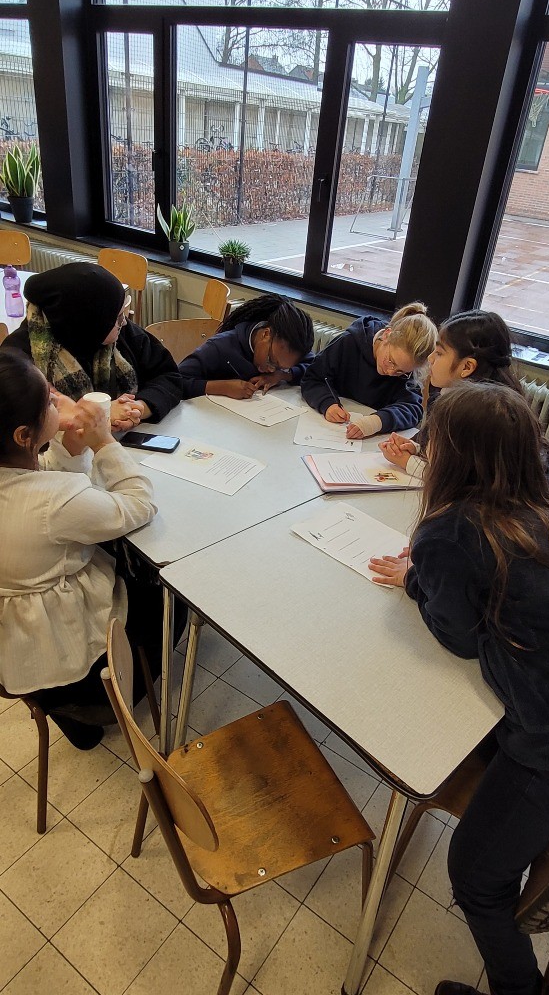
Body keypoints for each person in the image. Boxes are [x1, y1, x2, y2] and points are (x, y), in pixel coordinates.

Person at [369, 382, 549, 995]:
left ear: (451, 456)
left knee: (475, 876)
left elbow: (457, 636)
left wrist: (416, 579)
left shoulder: (450, 531)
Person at [0, 349, 158, 749]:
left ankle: (71, 717)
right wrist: (104, 443)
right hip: (63, 651)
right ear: (24, 436)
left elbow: (38, 485)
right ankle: (100, 700)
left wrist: (70, 447)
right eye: (50, 401)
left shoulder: (18, 474)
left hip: (16, 644)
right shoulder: (55, 501)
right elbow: (138, 504)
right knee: (162, 593)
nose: (60, 400)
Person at [380, 309, 549, 487]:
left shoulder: (483, 415)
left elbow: (462, 482)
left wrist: (408, 462)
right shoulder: (446, 393)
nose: (431, 358)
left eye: (439, 353)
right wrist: (416, 447)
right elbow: (435, 444)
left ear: (467, 367)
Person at [3, 261, 182, 431]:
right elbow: (22, 419)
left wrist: (137, 408)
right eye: (117, 317)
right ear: (89, 323)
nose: (124, 322)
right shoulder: (19, 359)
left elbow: (169, 377)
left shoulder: (123, 334)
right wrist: (99, 415)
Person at [300, 302, 437, 439]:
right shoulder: (349, 342)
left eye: (400, 371)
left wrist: (377, 422)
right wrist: (327, 403)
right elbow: (313, 378)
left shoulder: (408, 369)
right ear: (387, 335)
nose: (391, 372)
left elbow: (412, 408)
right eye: (391, 361)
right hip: (331, 427)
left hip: (370, 438)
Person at [179, 293, 315, 399]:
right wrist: (223, 387)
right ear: (266, 334)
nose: (271, 370)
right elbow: (176, 381)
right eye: (271, 361)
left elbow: (314, 369)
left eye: (280, 367)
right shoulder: (219, 347)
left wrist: (283, 375)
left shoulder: (290, 350)